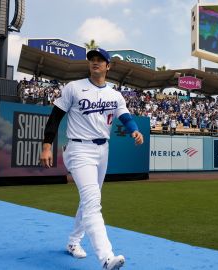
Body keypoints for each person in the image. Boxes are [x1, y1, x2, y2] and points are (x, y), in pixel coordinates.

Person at [40, 47, 143, 270]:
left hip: (102, 150)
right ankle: (106, 257)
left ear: (108, 66)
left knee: (89, 201)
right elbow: (55, 117)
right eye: (92, 59)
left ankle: (73, 242)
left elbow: (124, 116)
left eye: (100, 60)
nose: (95, 62)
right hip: (78, 149)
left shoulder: (115, 94)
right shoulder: (74, 87)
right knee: (93, 202)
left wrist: (134, 129)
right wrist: (47, 146)